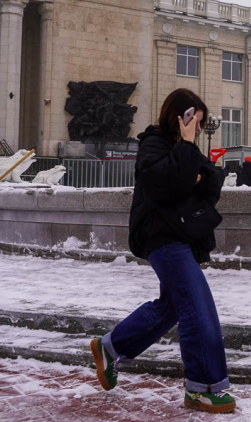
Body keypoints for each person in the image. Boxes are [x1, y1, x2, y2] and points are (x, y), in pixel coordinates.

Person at [90, 89, 235, 414]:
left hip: (178, 236)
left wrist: (193, 169)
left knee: (171, 306)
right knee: (197, 304)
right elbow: (163, 186)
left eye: (200, 122)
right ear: (179, 116)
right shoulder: (153, 144)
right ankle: (204, 386)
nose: (198, 127)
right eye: (195, 120)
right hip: (161, 237)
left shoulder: (183, 150)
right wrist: (186, 155)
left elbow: (211, 183)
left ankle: (111, 348)